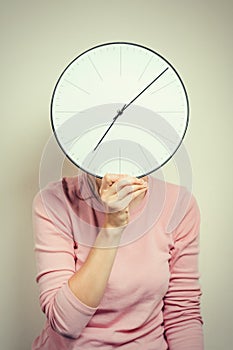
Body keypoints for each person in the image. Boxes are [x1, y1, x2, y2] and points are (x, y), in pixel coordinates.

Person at [32, 171, 204, 349]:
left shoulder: (179, 204)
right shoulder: (55, 200)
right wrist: (112, 227)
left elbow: (182, 316)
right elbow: (65, 323)